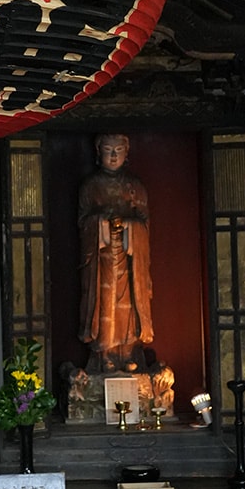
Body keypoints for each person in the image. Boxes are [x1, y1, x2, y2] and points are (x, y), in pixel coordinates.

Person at [77, 132, 153, 373]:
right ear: (98, 153)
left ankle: (129, 352)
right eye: (108, 150)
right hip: (102, 257)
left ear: (126, 153)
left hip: (130, 256)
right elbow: (82, 221)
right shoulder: (91, 186)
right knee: (104, 304)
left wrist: (128, 226)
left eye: (118, 150)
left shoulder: (135, 186)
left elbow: (145, 223)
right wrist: (102, 222)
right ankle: (105, 354)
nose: (113, 155)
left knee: (129, 306)